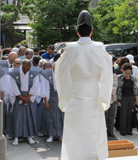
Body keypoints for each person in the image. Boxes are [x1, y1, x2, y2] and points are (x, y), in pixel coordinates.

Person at [55, 10, 112, 160]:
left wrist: (64, 94)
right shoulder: (99, 48)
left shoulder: (70, 49)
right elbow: (107, 73)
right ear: (92, 31)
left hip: (75, 93)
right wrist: (104, 96)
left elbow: (60, 72)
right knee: (93, 130)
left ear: (77, 31)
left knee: (75, 131)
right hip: (94, 93)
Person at [3, 59, 40, 145]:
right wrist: (21, 97)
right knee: (17, 118)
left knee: (29, 117)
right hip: (18, 97)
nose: (26, 71)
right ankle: (16, 137)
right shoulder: (14, 73)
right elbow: (13, 86)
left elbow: (35, 86)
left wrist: (28, 97)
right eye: (24, 69)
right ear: (22, 66)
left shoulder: (34, 73)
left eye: (28, 69)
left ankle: (30, 136)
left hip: (29, 97)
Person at [40, 62, 64, 142]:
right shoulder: (47, 74)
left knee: (61, 116)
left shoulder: (63, 74)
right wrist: (46, 101)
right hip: (51, 96)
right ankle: (51, 135)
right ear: (53, 68)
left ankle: (61, 134)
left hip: (61, 97)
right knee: (51, 117)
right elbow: (44, 88)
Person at [116, 63, 138, 136]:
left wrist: (136, 99)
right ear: (123, 71)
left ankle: (129, 129)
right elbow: (117, 89)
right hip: (122, 97)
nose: (127, 75)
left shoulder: (133, 79)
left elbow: (135, 89)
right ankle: (122, 130)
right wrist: (116, 98)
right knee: (123, 114)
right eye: (126, 73)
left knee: (130, 113)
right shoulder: (119, 78)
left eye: (129, 73)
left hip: (131, 97)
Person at [107, 66, 118, 137]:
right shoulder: (102, 75)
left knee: (111, 115)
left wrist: (107, 91)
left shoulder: (114, 76)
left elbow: (115, 86)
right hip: (103, 98)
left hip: (112, 98)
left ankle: (110, 131)